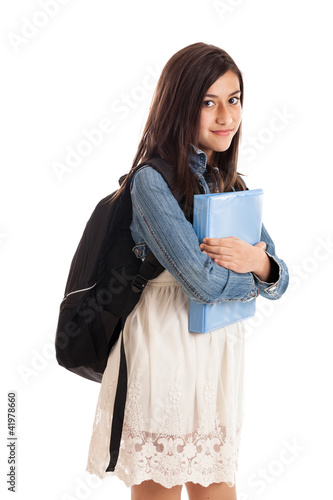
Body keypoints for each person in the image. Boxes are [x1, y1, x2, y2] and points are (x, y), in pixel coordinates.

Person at [85, 42, 289, 500]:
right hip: (165, 346)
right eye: (208, 102)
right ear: (181, 105)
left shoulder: (230, 182)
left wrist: (261, 264)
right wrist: (255, 273)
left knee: (216, 485)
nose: (225, 117)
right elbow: (199, 280)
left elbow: (279, 278)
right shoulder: (151, 181)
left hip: (216, 350)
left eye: (233, 100)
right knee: (161, 484)